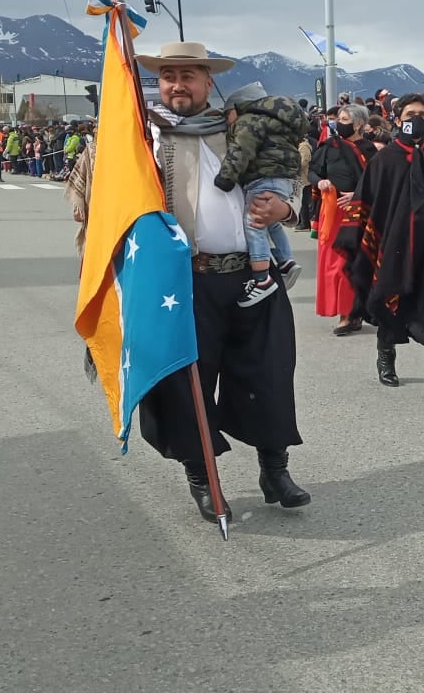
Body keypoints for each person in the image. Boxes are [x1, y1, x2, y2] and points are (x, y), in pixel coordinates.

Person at [77, 41, 308, 524]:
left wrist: (286, 209)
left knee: (267, 375)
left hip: (252, 278)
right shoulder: (141, 138)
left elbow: (288, 174)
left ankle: (275, 470)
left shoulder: (239, 126)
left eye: (188, 76)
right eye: (168, 77)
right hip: (182, 283)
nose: (177, 85)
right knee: (187, 386)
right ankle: (202, 480)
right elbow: (98, 205)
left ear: (208, 82)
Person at [337, 94, 424, 403]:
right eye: (411, 113)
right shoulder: (384, 160)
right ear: (398, 119)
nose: (417, 118)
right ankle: (386, 358)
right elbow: (367, 202)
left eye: (422, 114)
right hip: (394, 249)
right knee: (389, 301)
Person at [212, 82, 305, 307]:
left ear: (239, 107)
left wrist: (225, 178)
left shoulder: (248, 121)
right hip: (281, 177)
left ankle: (262, 279)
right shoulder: (277, 122)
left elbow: (241, 150)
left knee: (254, 222)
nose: (227, 121)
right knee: (269, 223)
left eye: (228, 114)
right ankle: (285, 260)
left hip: (262, 177)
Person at [309, 103, 377, 336]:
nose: (340, 122)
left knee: (349, 263)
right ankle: (346, 312)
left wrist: (356, 196)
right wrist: (320, 182)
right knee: (331, 264)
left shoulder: (370, 150)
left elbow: (378, 181)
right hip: (332, 211)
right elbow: (313, 171)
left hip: (358, 213)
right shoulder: (329, 146)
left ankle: (350, 314)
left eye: (346, 119)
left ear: (359, 124)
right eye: (339, 118)